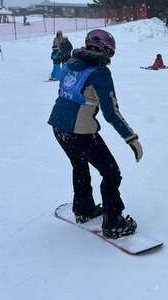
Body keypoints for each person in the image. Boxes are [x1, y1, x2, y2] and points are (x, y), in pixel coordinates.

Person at [48, 29, 143, 239]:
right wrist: (131, 138)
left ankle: (83, 209)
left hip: (58, 125)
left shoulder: (71, 63)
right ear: (105, 50)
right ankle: (114, 223)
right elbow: (111, 112)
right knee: (111, 172)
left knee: (79, 165)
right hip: (79, 131)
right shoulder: (100, 72)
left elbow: (64, 91)